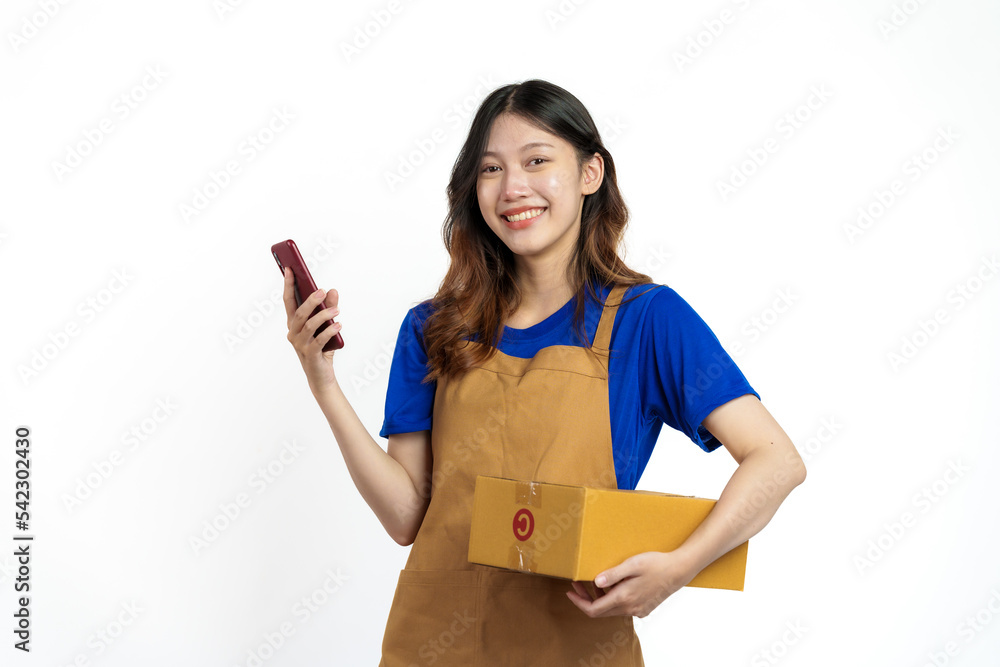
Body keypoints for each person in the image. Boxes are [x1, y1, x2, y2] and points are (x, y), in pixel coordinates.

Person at [282, 79, 806, 665]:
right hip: (433, 645)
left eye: (537, 160)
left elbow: (777, 461)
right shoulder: (433, 327)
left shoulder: (645, 320)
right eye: (490, 169)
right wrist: (323, 383)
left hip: (574, 647)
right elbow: (407, 516)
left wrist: (678, 569)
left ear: (590, 174)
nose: (513, 188)